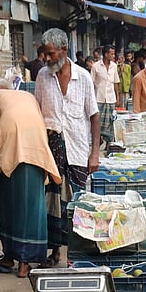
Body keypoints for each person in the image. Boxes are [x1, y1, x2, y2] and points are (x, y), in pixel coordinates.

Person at [0, 85, 61, 278]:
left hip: (10, 138)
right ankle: (23, 261)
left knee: (8, 203)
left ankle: (14, 258)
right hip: (36, 142)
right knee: (33, 205)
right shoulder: (26, 94)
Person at [35, 28, 101, 266]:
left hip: (77, 150)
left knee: (77, 204)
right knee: (51, 203)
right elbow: (37, 112)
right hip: (51, 149)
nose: (47, 58)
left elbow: (94, 116)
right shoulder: (42, 76)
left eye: (51, 53)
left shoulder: (82, 76)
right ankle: (55, 252)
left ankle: (76, 255)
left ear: (64, 50)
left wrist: (94, 153)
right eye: (45, 53)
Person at [92, 45, 119, 144]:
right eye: (111, 53)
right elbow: (92, 83)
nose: (113, 55)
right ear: (106, 54)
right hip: (98, 98)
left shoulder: (114, 66)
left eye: (113, 53)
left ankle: (109, 143)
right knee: (97, 122)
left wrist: (117, 98)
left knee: (111, 122)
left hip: (111, 98)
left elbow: (116, 82)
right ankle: (98, 141)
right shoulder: (96, 66)